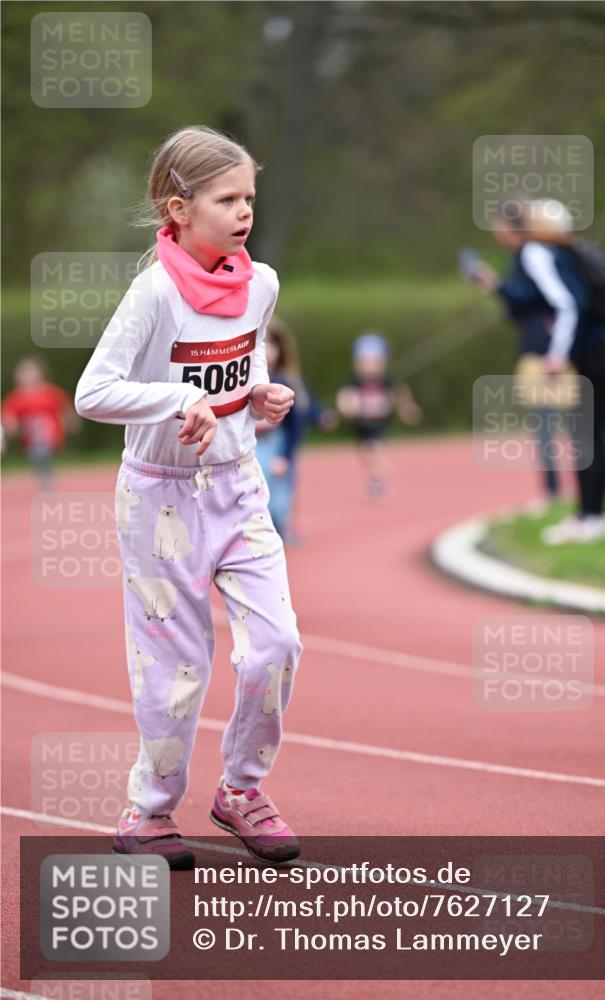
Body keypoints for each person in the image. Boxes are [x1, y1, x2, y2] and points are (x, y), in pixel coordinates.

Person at [74, 126, 303, 868]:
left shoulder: (259, 282)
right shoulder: (154, 294)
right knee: (177, 668)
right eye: (227, 198)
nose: (244, 212)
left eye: (250, 198)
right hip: (160, 498)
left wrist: (259, 396)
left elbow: (237, 372)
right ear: (179, 208)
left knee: (275, 644)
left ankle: (240, 789)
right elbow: (93, 393)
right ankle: (148, 813)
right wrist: (176, 402)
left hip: (238, 489)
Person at [472, 199, 605, 543]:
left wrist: (557, 355)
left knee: (585, 434)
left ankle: (591, 517)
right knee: (590, 434)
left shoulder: (538, 252)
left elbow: (568, 304)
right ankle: (592, 514)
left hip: (594, 352)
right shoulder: (564, 251)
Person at [255, 316, 337, 540]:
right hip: (249, 445)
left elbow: (299, 415)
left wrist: (286, 456)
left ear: (281, 349)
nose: (265, 350)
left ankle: (284, 524)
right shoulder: (243, 380)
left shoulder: (287, 381)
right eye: (260, 342)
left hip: (276, 442)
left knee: (280, 493)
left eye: (271, 344)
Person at [336, 333, 422, 497]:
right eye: (364, 362)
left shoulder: (386, 379)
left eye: (373, 362)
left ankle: (379, 479)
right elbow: (344, 396)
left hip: (378, 423)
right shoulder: (355, 380)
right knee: (365, 453)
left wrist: (407, 409)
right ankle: (376, 477)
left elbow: (400, 393)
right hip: (360, 424)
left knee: (375, 449)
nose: (368, 367)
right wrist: (346, 407)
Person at [2, 356, 79, 490]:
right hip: (29, 438)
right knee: (37, 455)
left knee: (40, 452)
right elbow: (9, 417)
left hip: (50, 435)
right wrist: (12, 426)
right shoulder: (16, 398)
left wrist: (71, 421)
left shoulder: (51, 392)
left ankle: (46, 479)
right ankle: (43, 477)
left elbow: (65, 408)